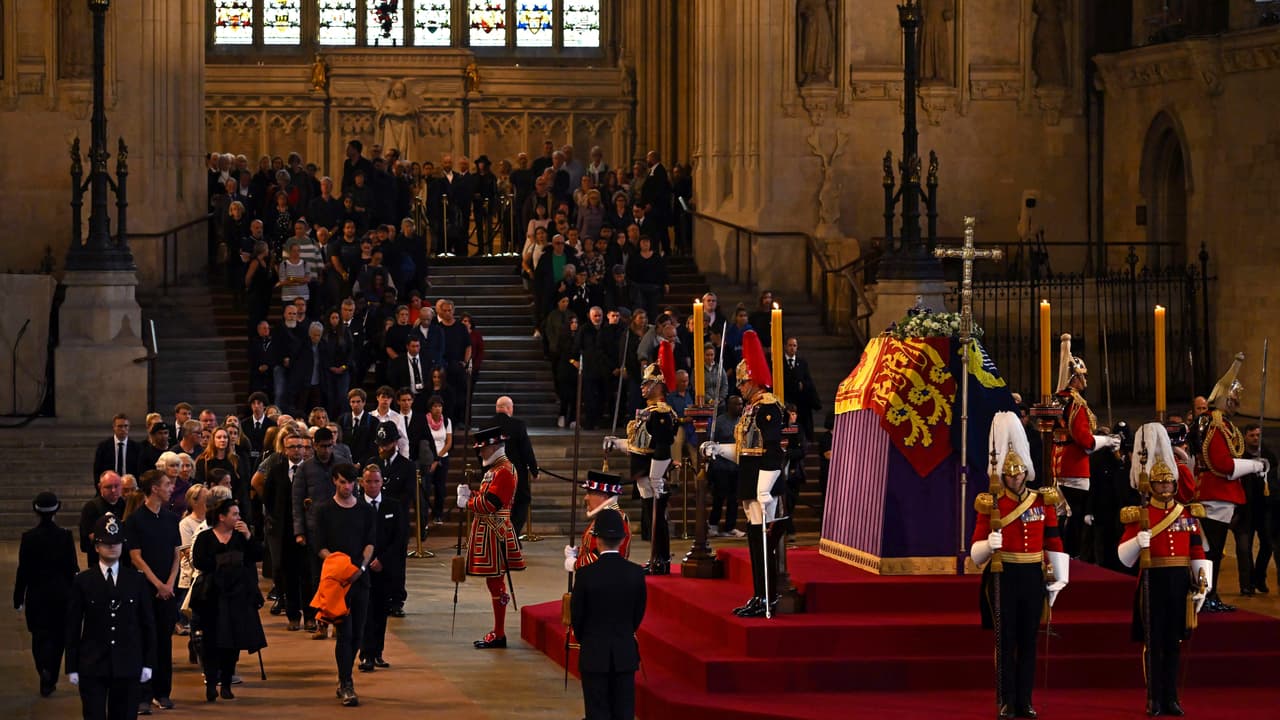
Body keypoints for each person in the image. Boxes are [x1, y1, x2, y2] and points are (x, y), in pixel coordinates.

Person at [969, 411, 1069, 720]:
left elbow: (1053, 541)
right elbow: (975, 553)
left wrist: (1059, 579)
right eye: (1010, 474)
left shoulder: (1042, 501)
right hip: (1003, 574)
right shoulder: (991, 502)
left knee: (1028, 641)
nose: (1015, 477)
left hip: (1031, 575)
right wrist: (989, 546)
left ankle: (1025, 700)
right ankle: (1005, 699)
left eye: (1019, 472)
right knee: (1006, 639)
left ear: (1026, 470)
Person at [1116, 422, 1211, 717]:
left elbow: (1196, 549)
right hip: (1153, 581)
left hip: (1179, 583)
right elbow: (1124, 558)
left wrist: (1201, 582)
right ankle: (1153, 698)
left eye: (1170, 483)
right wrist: (1137, 541)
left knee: (1174, 643)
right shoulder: (1140, 514)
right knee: (1153, 643)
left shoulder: (1187, 513)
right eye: (1160, 484)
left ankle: (1171, 697)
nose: (1166, 487)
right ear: (1151, 485)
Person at [701, 331, 786, 616]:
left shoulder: (769, 407)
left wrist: (765, 487)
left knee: (764, 544)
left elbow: (775, 450)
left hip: (764, 480)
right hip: (749, 478)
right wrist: (718, 449)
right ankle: (758, 594)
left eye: (743, 381)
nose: (740, 386)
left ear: (755, 379)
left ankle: (768, 597)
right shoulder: (751, 409)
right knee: (753, 540)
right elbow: (743, 449)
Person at [1195, 352, 1268, 612]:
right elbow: (1223, 466)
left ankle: (1209, 596)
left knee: (1214, 551)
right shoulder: (1215, 424)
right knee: (1212, 551)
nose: (1237, 402)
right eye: (1234, 397)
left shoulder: (1218, 423)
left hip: (1219, 495)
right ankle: (1207, 596)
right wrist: (1254, 465)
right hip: (1217, 493)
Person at [66, 512, 156, 720]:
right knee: (94, 715)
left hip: (128, 663)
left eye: (116, 543)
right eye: (106, 543)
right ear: (97, 547)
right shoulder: (83, 581)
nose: (112, 547)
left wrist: (148, 662)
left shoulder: (136, 580)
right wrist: (72, 665)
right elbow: (72, 626)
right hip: (92, 664)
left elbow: (147, 625)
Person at [604, 341, 678, 575]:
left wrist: (657, 477)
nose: (643, 387)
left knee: (658, 520)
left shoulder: (663, 414)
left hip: (652, 477)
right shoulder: (647, 413)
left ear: (658, 385)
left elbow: (663, 447)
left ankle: (661, 559)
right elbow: (638, 446)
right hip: (643, 476)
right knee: (650, 520)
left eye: (648, 383)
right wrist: (616, 443)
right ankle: (656, 557)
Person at [570, 508, 646, 720]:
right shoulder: (635, 573)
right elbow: (638, 613)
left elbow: (578, 615)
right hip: (624, 652)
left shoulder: (585, 574)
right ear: (622, 540)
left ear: (597, 540)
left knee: (596, 710)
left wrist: (586, 638)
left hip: (594, 653)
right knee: (624, 711)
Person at [456, 426, 526, 649]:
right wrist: (472, 495)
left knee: (496, 583)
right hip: (490, 531)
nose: (480, 453)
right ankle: (498, 630)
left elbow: (491, 504)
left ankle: (499, 632)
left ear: (494, 447)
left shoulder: (503, 470)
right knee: (494, 583)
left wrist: (467, 502)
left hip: (495, 532)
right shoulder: (496, 469)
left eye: (482, 449)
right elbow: (487, 497)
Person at [190, 498, 266, 702]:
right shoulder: (205, 537)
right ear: (222, 517)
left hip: (237, 595)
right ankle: (211, 682)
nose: (238, 517)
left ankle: (226, 683)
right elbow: (199, 561)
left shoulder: (241, 537)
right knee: (211, 641)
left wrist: (249, 536)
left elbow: (257, 555)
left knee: (232, 642)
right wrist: (223, 562)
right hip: (212, 596)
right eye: (234, 514)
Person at [313, 463, 376, 707]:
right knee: (344, 633)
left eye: (350, 482)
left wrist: (359, 569)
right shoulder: (324, 510)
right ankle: (346, 682)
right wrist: (341, 570)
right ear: (334, 482)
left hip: (360, 580)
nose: (346, 486)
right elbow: (320, 546)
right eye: (342, 482)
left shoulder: (365, 510)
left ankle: (344, 679)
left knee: (358, 635)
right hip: (337, 583)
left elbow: (371, 543)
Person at [1052, 334, 1120, 558]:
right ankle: (1071, 557)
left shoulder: (1057, 400)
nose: (1085, 381)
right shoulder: (1076, 404)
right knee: (1075, 518)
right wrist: (1108, 441)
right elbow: (1087, 442)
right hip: (1075, 467)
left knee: (1062, 516)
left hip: (1058, 464)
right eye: (1082, 377)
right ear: (1074, 378)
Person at [125, 470, 182, 713]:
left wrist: (169, 583)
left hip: (167, 590)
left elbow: (176, 553)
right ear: (154, 489)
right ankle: (143, 695)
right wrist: (157, 584)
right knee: (145, 641)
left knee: (164, 642)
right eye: (168, 484)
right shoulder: (136, 520)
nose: (172, 488)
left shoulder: (171, 519)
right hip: (145, 590)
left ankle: (163, 692)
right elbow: (135, 557)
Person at [13, 491, 78, 697]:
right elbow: (72, 568)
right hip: (61, 595)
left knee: (39, 636)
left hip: (37, 596)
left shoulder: (28, 538)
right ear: (57, 510)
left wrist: (18, 597)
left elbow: (23, 570)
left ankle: (43, 667)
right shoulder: (65, 536)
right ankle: (51, 673)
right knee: (59, 637)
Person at [357, 465, 407, 672]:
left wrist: (383, 560)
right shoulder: (357, 506)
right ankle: (365, 654)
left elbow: (400, 538)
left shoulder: (393, 506)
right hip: (362, 570)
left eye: (376, 481)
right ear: (362, 483)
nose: (373, 485)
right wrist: (367, 561)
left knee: (380, 612)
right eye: (368, 481)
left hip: (385, 570)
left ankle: (377, 653)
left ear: (382, 482)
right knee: (365, 613)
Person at [485, 396, 540, 538]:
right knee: (522, 501)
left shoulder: (485, 425)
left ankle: (496, 536)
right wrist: (534, 470)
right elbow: (526, 450)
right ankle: (512, 535)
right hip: (515, 473)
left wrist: (484, 471)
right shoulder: (518, 425)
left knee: (495, 504)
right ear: (509, 408)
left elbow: (480, 452)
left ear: (497, 408)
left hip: (493, 473)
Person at [563, 470, 631, 572]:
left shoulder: (615, 519)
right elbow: (594, 547)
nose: (586, 497)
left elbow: (604, 555)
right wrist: (578, 551)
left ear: (605, 496)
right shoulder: (604, 516)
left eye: (590, 493)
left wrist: (575, 564)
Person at [80, 471, 127, 569]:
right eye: (108, 487)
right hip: (98, 560)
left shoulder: (125, 505)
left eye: (117, 486)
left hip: (123, 559)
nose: (113, 490)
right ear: (99, 487)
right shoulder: (92, 507)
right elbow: (90, 535)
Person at [94, 414, 142, 484]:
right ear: (114, 427)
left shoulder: (137, 447)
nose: (123, 429)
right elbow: (97, 470)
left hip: (130, 486)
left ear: (129, 427)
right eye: (120, 426)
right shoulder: (103, 447)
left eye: (126, 426)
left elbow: (139, 470)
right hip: (110, 485)